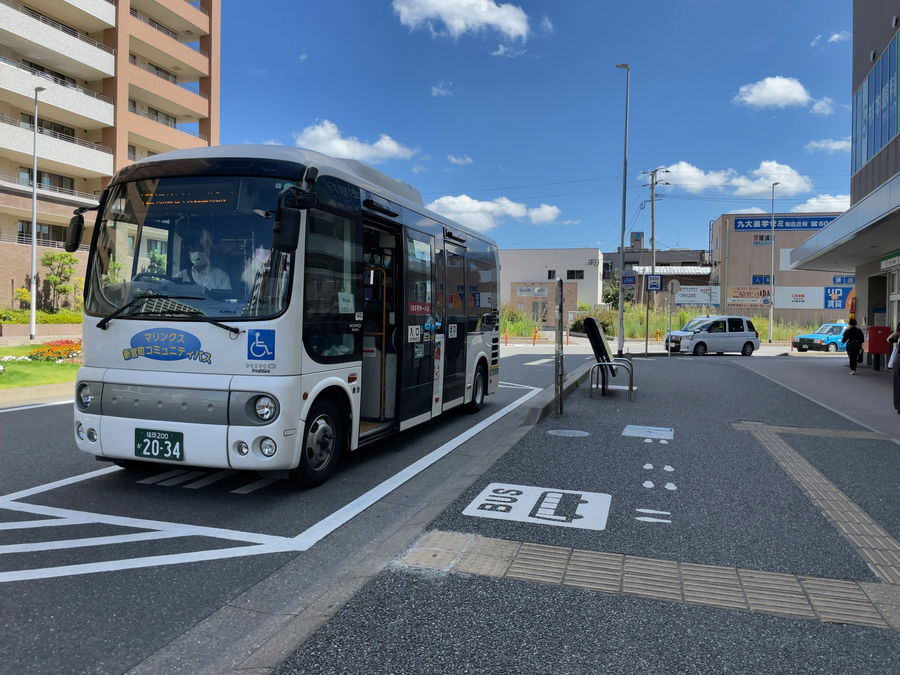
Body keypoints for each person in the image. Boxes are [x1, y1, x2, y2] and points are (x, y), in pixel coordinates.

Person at [888, 322, 900, 414]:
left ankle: (898, 406)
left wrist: (896, 332)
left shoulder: (897, 336)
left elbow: (888, 339)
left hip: (898, 361)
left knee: (897, 384)